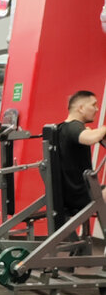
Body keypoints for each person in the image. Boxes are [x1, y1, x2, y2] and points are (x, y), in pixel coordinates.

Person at [56, 90, 106, 222]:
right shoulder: (73, 127)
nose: (97, 109)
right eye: (93, 105)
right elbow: (90, 138)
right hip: (82, 196)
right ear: (81, 108)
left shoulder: (62, 128)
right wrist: (103, 129)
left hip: (75, 195)